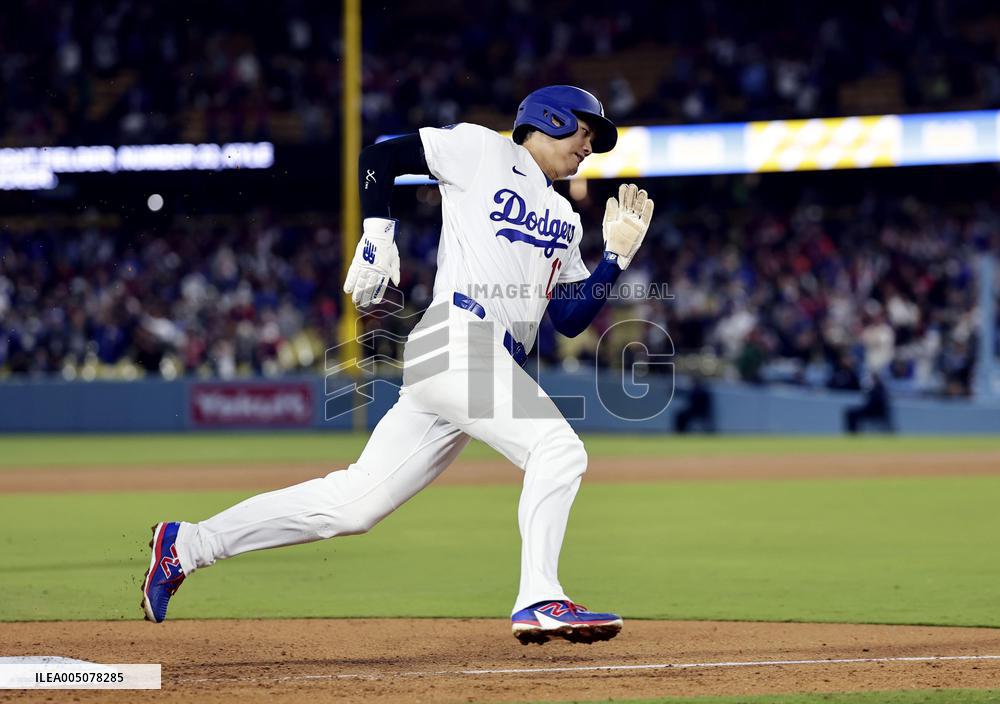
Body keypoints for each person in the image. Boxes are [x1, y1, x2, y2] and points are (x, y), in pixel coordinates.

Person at [141, 85, 655, 645]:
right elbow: (381, 157)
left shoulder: (564, 215)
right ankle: (539, 597)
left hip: (480, 362)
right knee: (558, 449)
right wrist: (376, 234)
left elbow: (570, 319)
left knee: (354, 503)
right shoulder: (482, 150)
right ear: (550, 118)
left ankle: (187, 544)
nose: (590, 146)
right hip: (459, 337)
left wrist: (614, 259)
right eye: (586, 132)